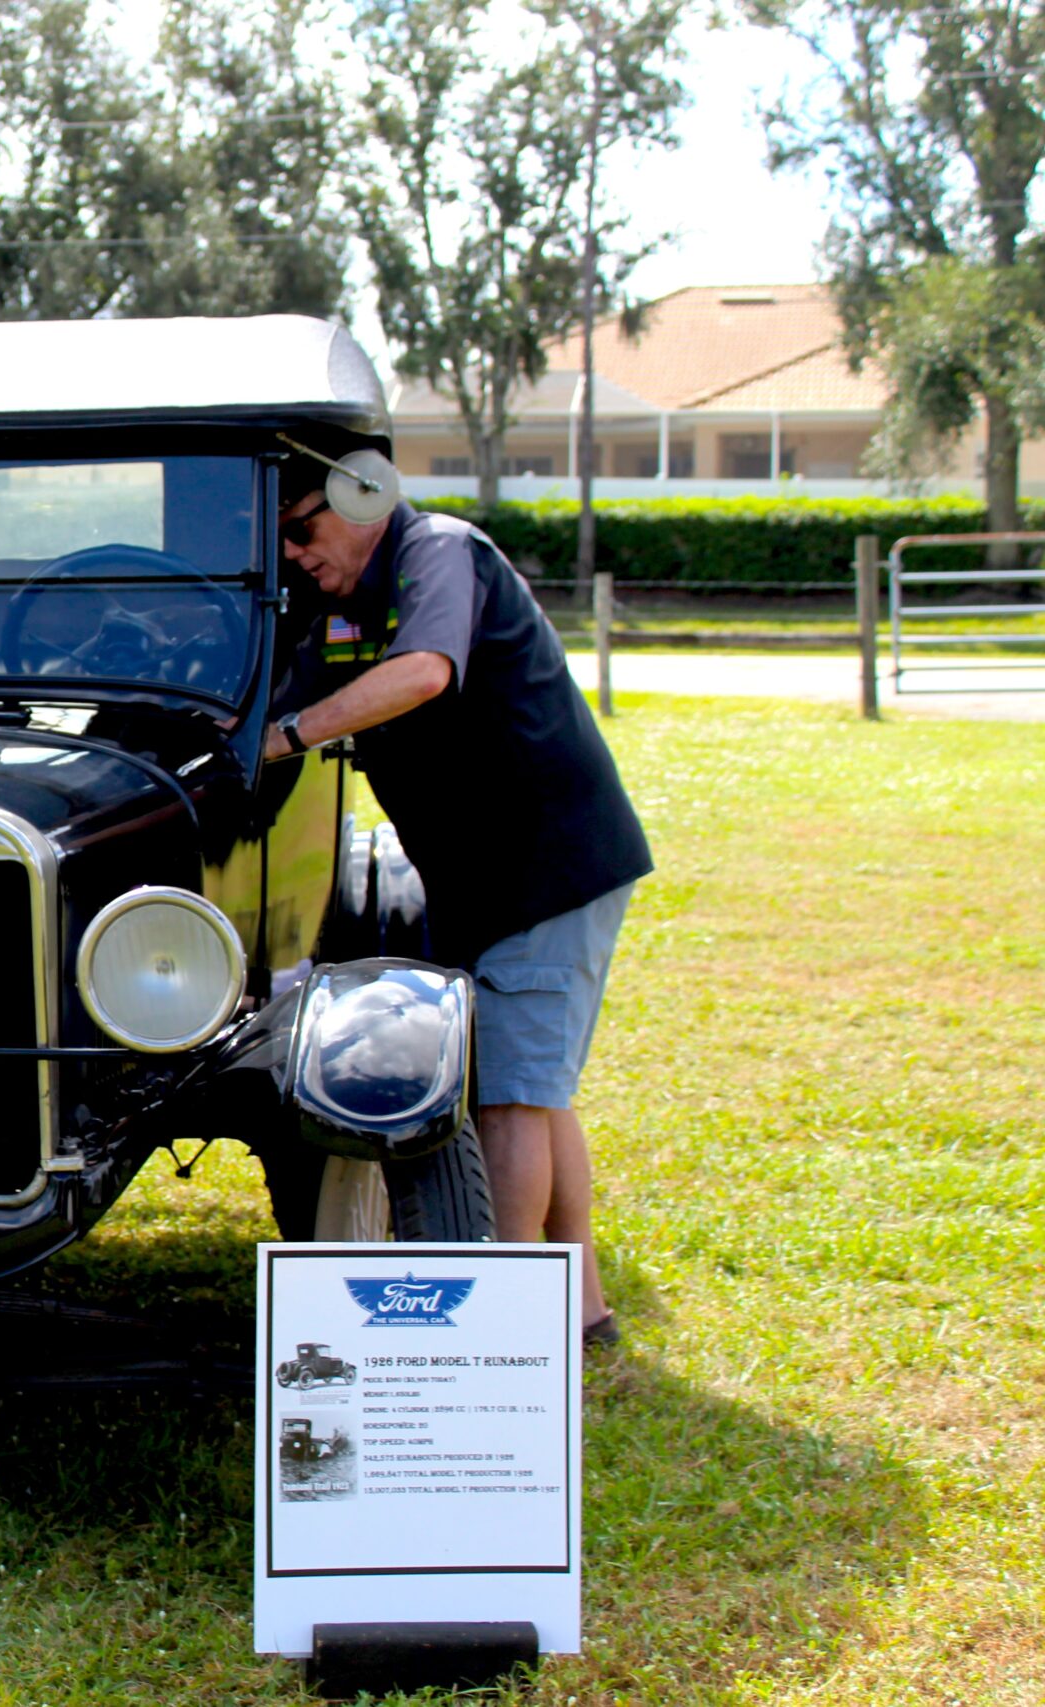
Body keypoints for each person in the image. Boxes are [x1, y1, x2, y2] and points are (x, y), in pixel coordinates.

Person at [263, 435, 652, 1349]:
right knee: (534, 1090)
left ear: (364, 497)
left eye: (302, 528)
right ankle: (581, 1307)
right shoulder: (345, 603)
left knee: (510, 1098)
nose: (291, 552)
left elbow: (425, 670)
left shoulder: (437, 550)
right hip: (493, 875)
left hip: (544, 868)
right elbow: (296, 681)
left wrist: (291, 734)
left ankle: (502, 1331)